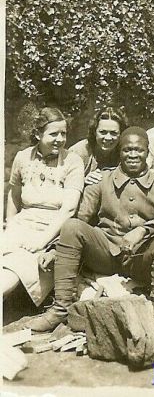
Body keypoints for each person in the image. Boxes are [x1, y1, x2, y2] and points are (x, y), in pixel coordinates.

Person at [29, 126, 154, 350]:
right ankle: (60, 309)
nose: (133, 155)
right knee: (71, 225)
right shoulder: (101, 181)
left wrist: (145, 230)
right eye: (127, 150)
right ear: (120, 152)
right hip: (104, 254)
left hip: (140, 258)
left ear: (148, 152)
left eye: (139, 150)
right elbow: (81, 220)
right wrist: (56, 249)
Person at [3, 107, 84, 306]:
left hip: (52, 230)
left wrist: (41, 240)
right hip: (22, 224)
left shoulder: (73, 161)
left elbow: (69, 210)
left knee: (15, 268)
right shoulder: (22, 157)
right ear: (38, 134)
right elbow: (14, 196)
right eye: (53, 134)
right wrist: (9, 224)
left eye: (63, 133)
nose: (60, 139)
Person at [69, 105, 129, 185]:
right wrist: (82, 180)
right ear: (94, 132)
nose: (108, 138)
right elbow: (62, 181)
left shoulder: (125, 152)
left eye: (113, 133)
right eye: (103, 132)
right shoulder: (79, 151)